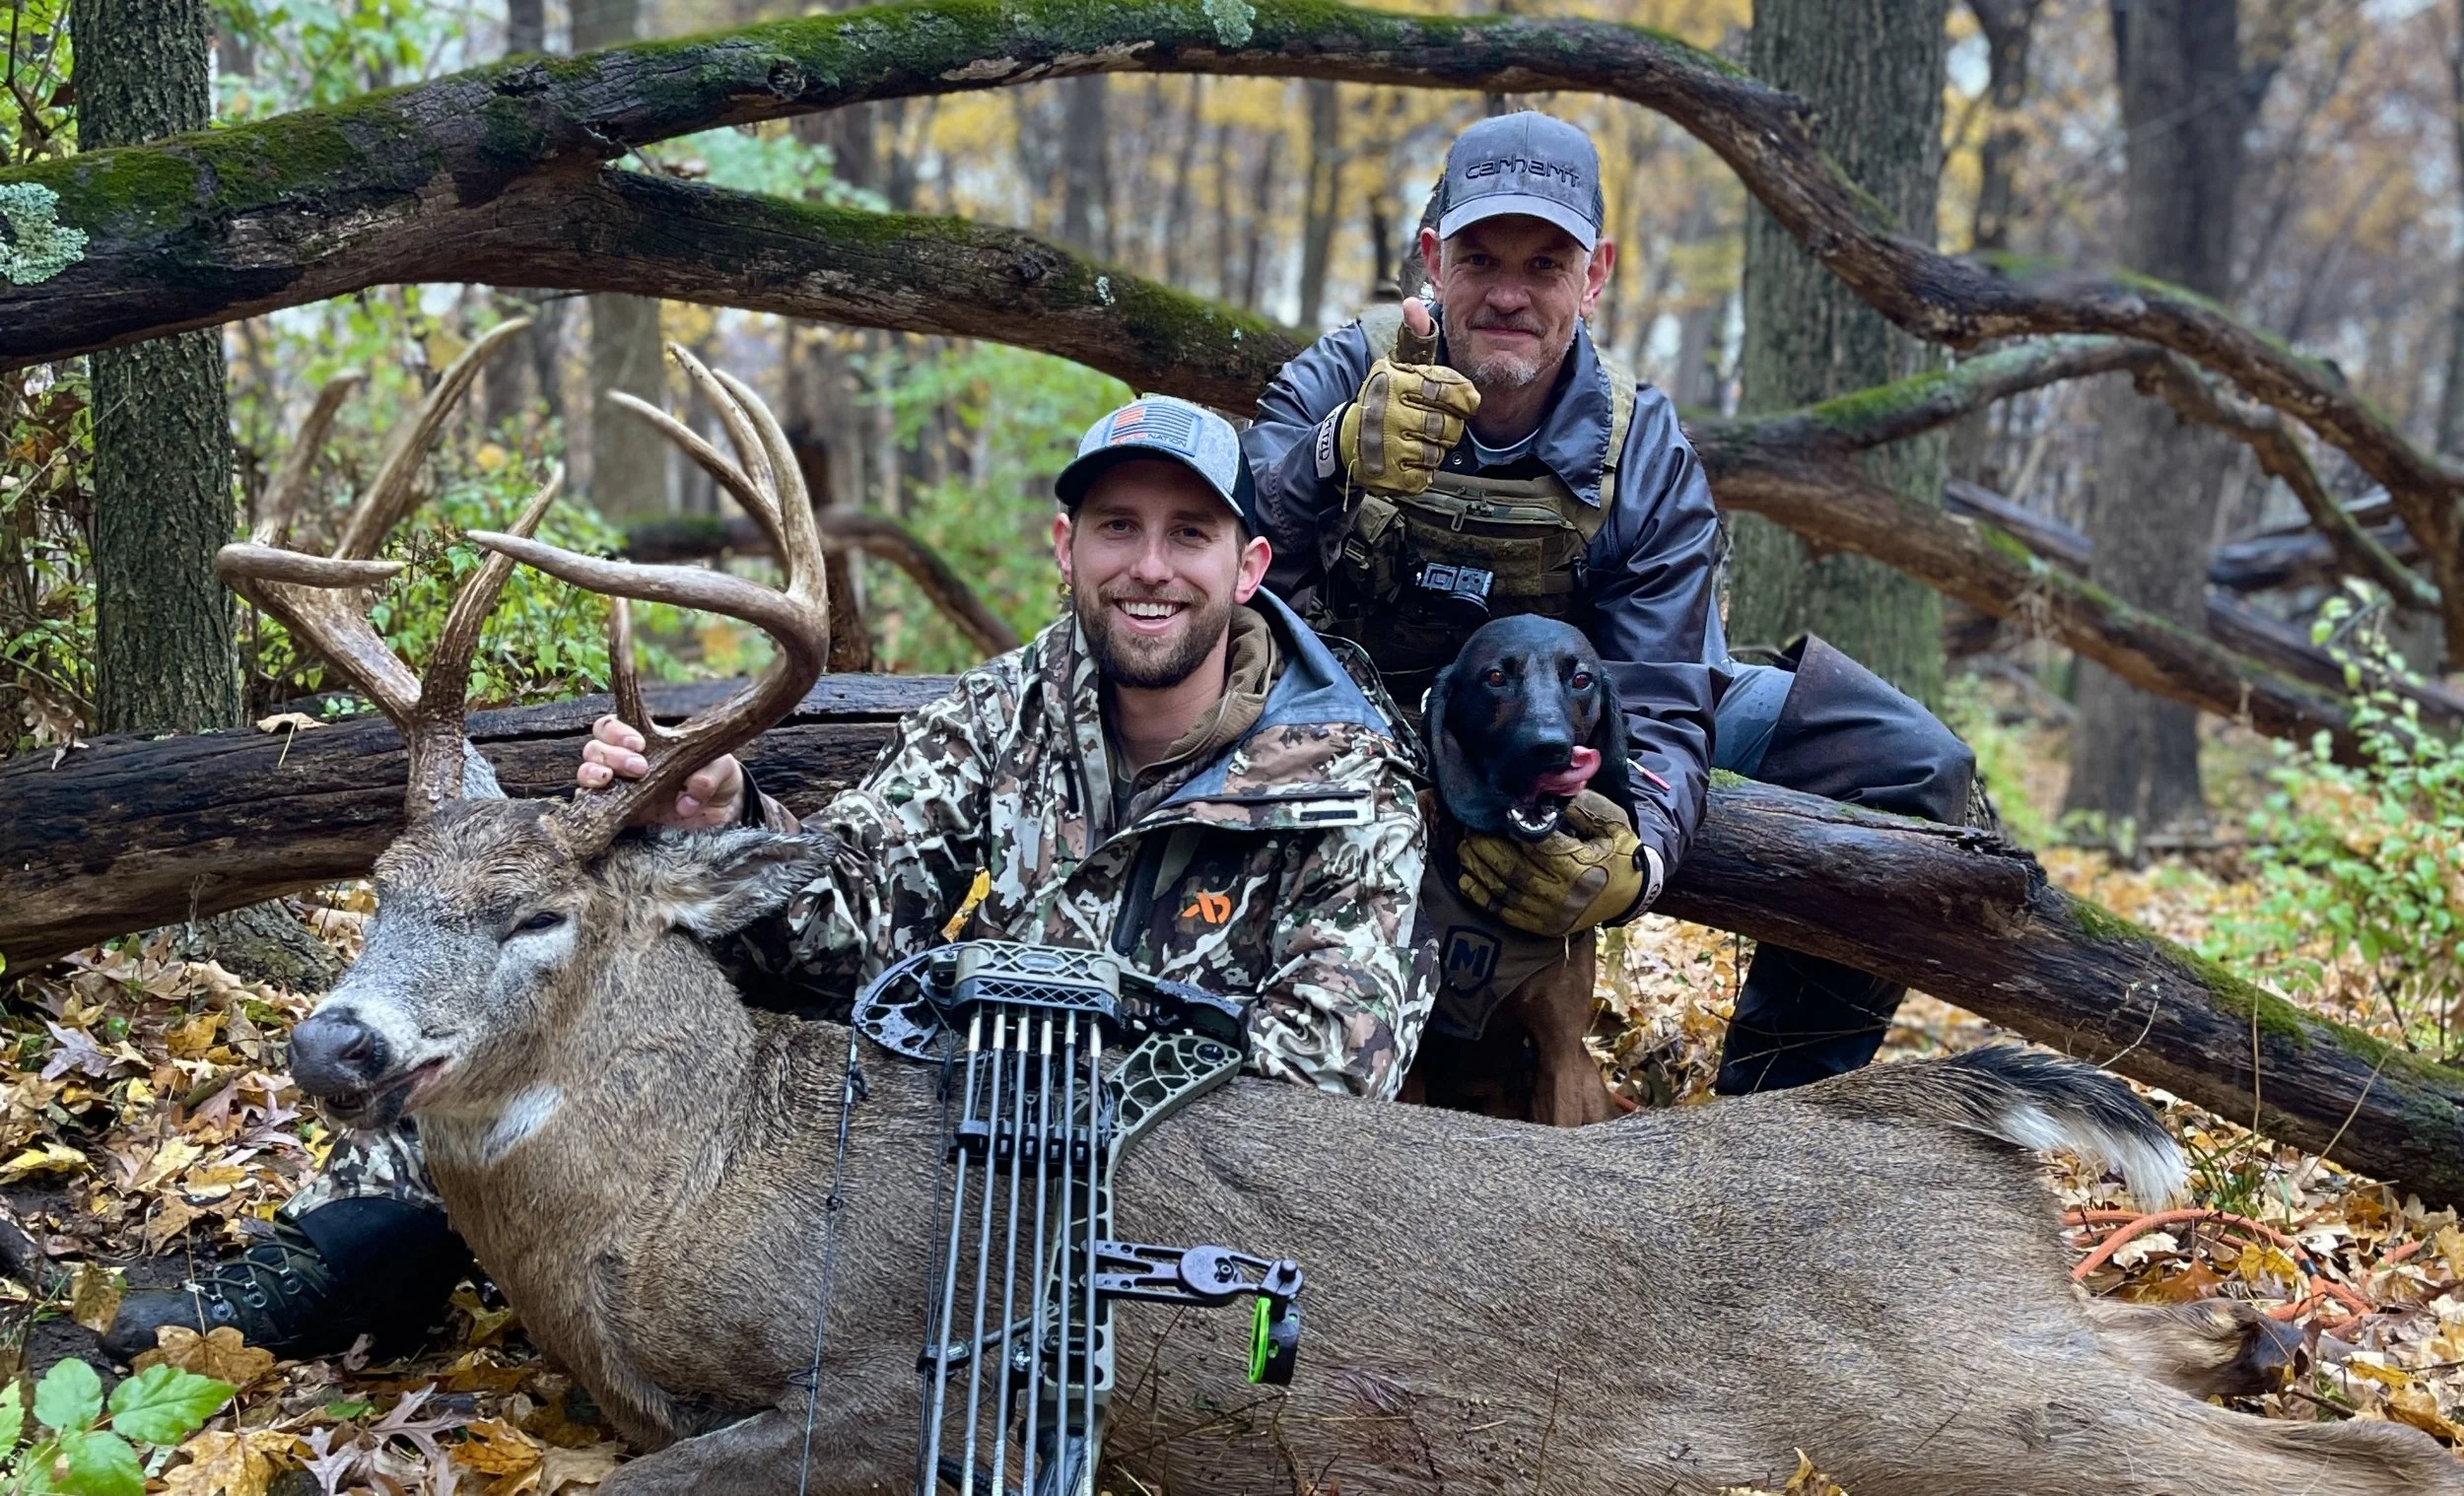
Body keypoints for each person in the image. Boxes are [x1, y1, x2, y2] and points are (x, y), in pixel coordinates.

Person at [106, 395, 1432, 1361]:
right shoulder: (1005, 713)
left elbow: (1325, 1086)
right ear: (1065, 547)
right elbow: (849, 915)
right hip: (957, 1130)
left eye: (1188, 533)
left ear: (1247, 567)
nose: (1151, 565)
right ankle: (362, 1244)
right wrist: (727, 804)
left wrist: (1040, 1057)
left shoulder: (1345, 783)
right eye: (1118, 527)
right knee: (571, 998)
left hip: (1181, 1184)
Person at [1242, 109, 1975, 1094]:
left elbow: (1665, 690)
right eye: (1479, 257)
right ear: (1431, 259)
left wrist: (1640, 861)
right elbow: (1225, 580)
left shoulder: (1642, 448)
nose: (1509, 293)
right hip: (1368, 718)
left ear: (1595, 276)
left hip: (1581, 717)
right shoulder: (1340, 376)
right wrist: (1328, 458)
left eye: (1545, 265)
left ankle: (1777, 1127)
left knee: (1908, 763)